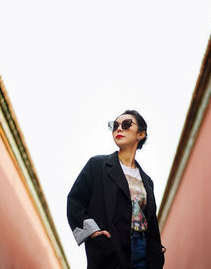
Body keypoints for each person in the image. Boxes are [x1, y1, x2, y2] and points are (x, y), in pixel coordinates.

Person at [67, 110, 166, 269]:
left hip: (143, 252)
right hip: (110, 248)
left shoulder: (147, 181)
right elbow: (75, 202)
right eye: (115, 126)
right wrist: (92, 232)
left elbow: (151, 222)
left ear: (141, 134)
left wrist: (156, 253)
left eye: (126, 124)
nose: (119, 129)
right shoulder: (97, 165)